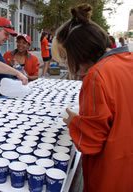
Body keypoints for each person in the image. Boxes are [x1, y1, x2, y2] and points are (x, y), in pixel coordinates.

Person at [52, 3, 133, 192]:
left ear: (77, 52)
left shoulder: (98, 75)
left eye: (67, 57)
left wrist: (74, 122)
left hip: (111, 174)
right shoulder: (127, 61)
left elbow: (92, 141)